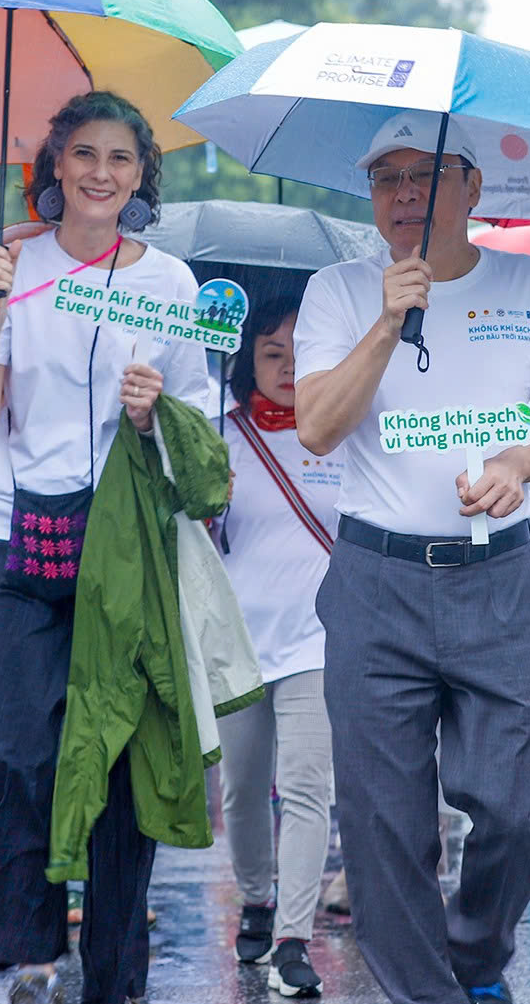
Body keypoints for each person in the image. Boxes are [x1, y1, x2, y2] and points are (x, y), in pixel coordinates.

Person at [294, 115, 530, 1004]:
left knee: (519, 811)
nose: (404, 193)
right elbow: (316, 424)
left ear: (473, 188)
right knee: (385, 829)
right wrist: (389, 319)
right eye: (386, 178)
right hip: (375, 580)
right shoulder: (338, 292)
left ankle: (472, 953)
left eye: (426, 175)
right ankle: (426, 993)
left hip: (497, 577)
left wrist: (516, 464)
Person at [0, 91, 216, 1004]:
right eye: (85, 154)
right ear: (55, 165)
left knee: (117, 769)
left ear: (142, 176)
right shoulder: (6, 267)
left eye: (121, 158)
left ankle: (115, 972)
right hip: (15, 539)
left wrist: (154, 411)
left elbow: (200, 433)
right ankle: (27, 935)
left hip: (128, 549)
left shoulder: (172, 285)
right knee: (17, 752)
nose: (101, 172)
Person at [217, 287, 342, 1000]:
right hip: (236, 639)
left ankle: (294, 935)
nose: (289, 366)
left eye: (300, 352)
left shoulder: (341, 429)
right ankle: (257, 896)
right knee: (240, 788)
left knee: (304, 787)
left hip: (316, 639)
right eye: (272, 353)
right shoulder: (220, 430)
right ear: (247, 360)